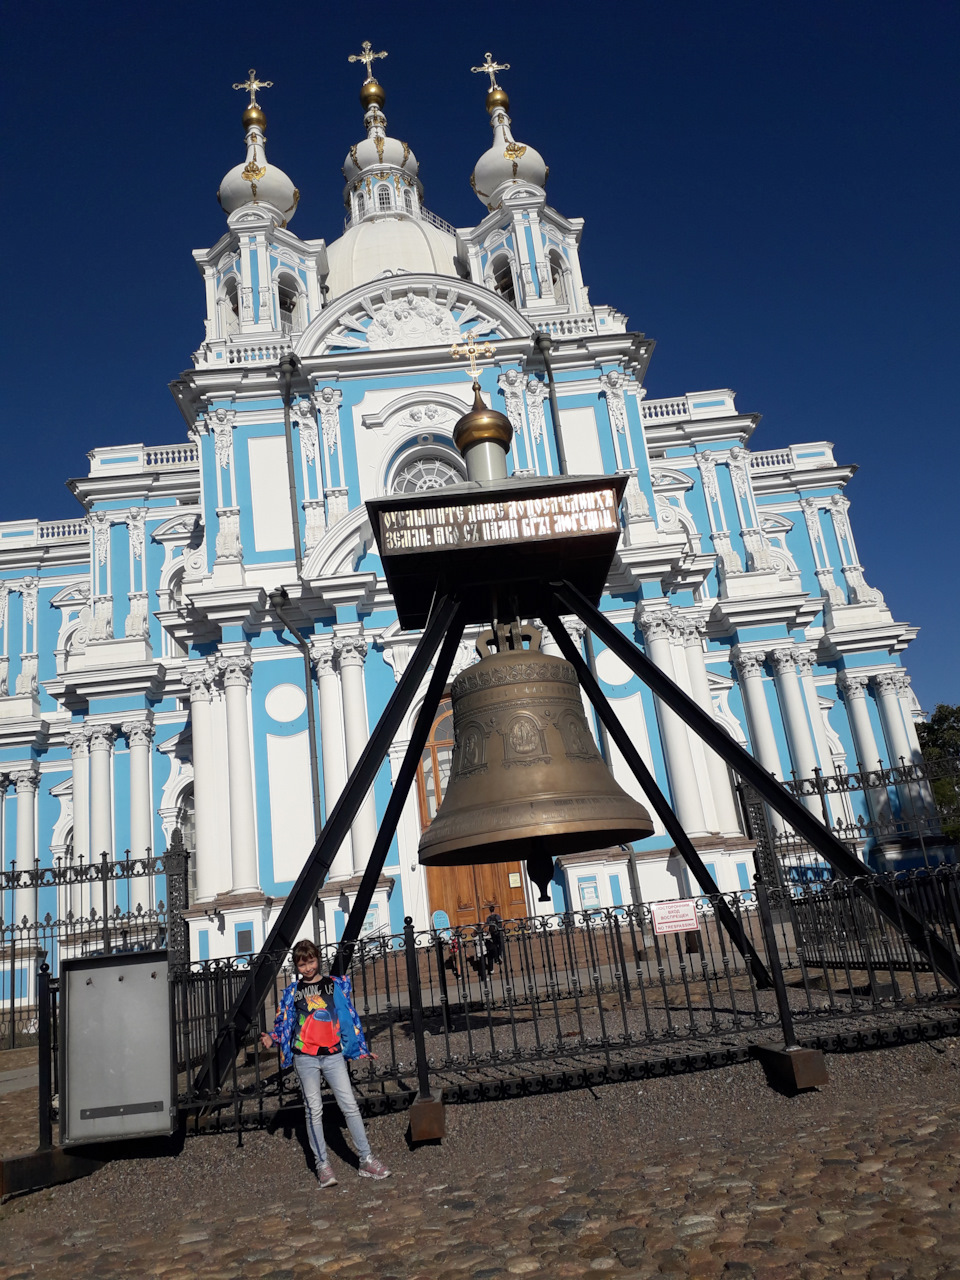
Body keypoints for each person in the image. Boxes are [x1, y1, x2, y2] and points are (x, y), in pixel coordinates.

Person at [260, 938, 390, 1187]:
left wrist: (360, 1049)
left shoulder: (333, 985)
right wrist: (273, 1038)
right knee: (314, 1110)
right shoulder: (293, 992)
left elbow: (348, 1016)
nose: (307, 968)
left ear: (318, 959)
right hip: (305, 1058)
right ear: (296, 966)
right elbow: (285, 1022)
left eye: (310, 962)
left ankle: (366, 1159)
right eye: (302, 964)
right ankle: (323, 1165)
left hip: (332, 1056)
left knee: (349, 1105)